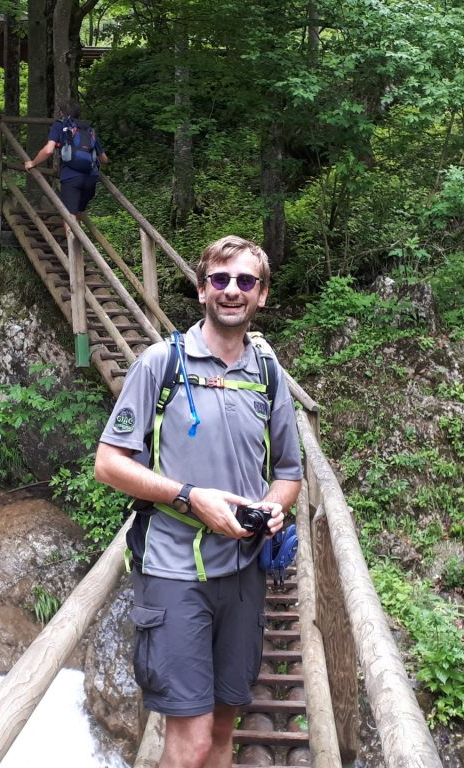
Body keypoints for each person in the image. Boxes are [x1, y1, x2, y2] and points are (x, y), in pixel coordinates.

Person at [94, 235, 303, 768]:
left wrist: (275, 506)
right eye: (220, 279)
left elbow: (288, 471)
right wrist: (190, 498)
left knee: (222, 729)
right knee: (188, 741)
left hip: (244, 571)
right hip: (172, 571)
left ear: (262, 296)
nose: (232, 290)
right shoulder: (161, 364)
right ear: (201, 287)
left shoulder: (267, 374)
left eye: (245, 282)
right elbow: (109, 464)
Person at [23, 98, 109, 232]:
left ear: (62, 113)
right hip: (91, 178)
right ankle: (78, 249)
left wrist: (32, 163)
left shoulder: (59, 126)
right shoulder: (88, 129)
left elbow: (48, 150)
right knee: (77, 214)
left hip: (71, 177)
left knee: (70, 217)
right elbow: (104, 159)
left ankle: (72, 252)